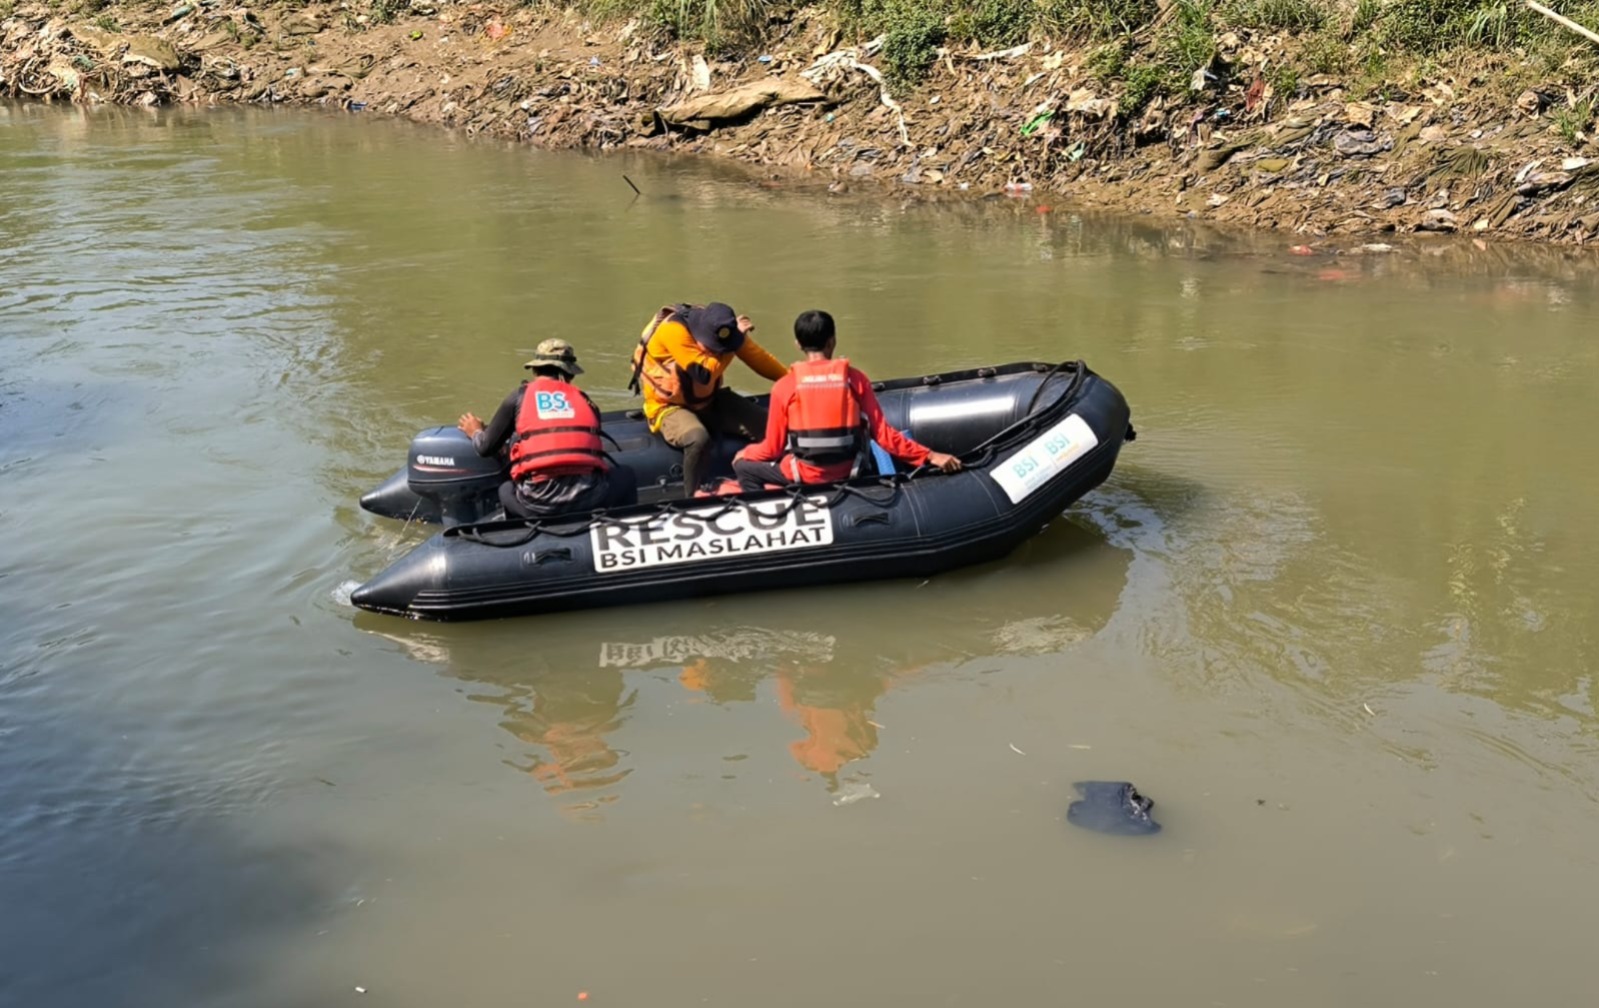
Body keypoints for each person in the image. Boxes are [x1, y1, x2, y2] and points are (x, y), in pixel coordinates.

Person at [731, 309, 962, 491]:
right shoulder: (855, 379)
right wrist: (931, 456)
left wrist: (746, 454)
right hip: (850, 471)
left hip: (803, 474)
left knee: (744, 468)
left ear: (798, 345)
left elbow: (772, 448)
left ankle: (767, 516)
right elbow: (884, 436)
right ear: (832, 341)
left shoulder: (784, 387)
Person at [457, 338, 637, 519]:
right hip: (590, 497)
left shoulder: (519, 397)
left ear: (535, 370)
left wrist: (475, 431)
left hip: (537, 504)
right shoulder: (586, 401)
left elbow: (485, 447)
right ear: (570, 374)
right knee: (626, 474)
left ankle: (524, 536)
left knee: (506, 489)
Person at [629, 301, 789, 497]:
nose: (716, 350)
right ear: (700, 332)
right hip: (668, 407)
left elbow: (757, 357)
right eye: (712, 347)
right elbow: (703, 373)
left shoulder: (726, 330)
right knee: (698, 439)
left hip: (709, 400)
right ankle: (692, 497)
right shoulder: (674, 331)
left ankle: (779, 480)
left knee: (770, 425)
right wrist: (732, 345)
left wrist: (792, 379)